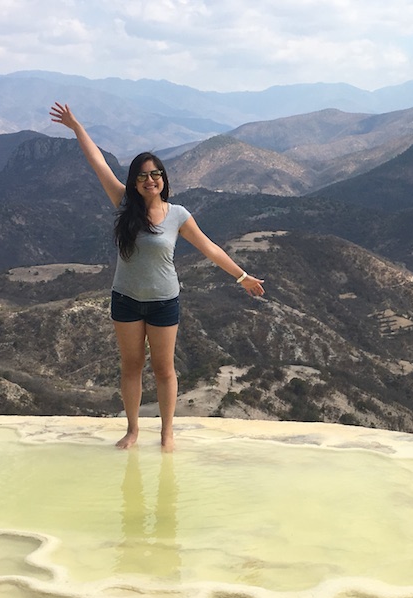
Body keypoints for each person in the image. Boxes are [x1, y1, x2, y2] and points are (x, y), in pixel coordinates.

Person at [49, 102, 265, 451]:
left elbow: (210, 248)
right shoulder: (124, 203)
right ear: (134, 182)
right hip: (126, 300)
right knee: (131, 367)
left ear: (163, 179)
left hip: (164, 302)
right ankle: (132, 430)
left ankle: (167, 433)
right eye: (143, 175)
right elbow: (98, 163)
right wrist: (77, 127)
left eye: (156, 174)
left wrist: (242, 277)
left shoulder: (177, 215)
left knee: (164, 370)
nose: (150, 180)